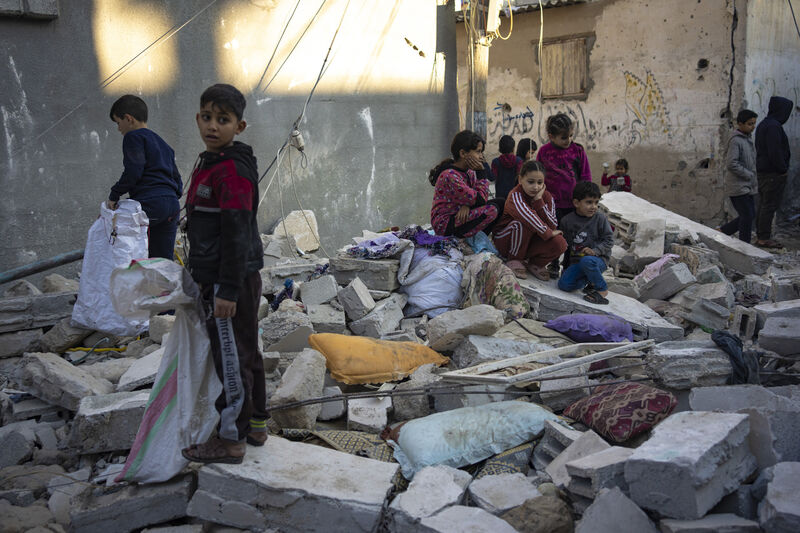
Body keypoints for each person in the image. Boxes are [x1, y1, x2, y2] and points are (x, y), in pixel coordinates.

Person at [181, 84, 267, 465]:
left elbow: (236, 233)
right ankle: (257, 424)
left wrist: (227, 290)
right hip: (223, 276)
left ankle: (232, 440)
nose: (212, 126)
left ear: (240, 125)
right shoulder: (212, 161)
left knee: (231, 359)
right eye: (207, 117)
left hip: (228, 279)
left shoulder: (231, 171)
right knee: (245, 351)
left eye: (223, 120)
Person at [107, 95, 182, 260]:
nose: (118, 129)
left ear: (128, 119)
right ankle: (165, 286)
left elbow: (134, 170)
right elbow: (177, 180)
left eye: (118, 123)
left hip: (150, 203)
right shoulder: (163, 144)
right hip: (171, 206)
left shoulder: (133, 137)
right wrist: (169, 198)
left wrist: (114, 194)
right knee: (163, 260)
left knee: (130, 254)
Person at [537, 113, 591, 276]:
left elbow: (585, 175)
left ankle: (567, 266)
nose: (568, 140)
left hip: (573, 204)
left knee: (572, 236)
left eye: (570, 136)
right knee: (554, 234)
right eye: (563, 137)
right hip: (552, 204)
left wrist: (585, 199)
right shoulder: (545, 152)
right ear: (551, 136)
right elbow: (538, 174)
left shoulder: (577, 150)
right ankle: (553, 263)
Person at [493, 160, 567, 280]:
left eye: (540, 182)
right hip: (507, 240)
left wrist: (539, 200)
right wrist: (548, 232)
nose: (536, 187)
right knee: (521, 224)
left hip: (528, 242)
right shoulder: (515, 195)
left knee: (560, 243)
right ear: (520, 179)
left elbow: (553, 224)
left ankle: (535, 263)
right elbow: (528, 216)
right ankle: (514, 259)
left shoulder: (546, 196)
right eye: (531, 182)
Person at [430, 130, 504, 238]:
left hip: (461, 215)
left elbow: (475, 196)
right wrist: (481, 173)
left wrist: (467, 205)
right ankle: (467, 239)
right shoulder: (449, 176)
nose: (481, 157)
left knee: (501, 203)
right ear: (463, 153)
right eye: (478, 152)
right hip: (445, 224)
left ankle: (482, 237)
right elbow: (481, 199)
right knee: (492, 210)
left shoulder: (470, 172)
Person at [558, 181, 614, 305]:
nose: (593, 206)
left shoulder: (600, 219)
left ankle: (602, 290)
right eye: (589, 202)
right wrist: (565, 267)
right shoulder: (567, 221)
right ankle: (589, 281)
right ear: (576, 203)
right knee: (564, 284)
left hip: (597, 260)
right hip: (577, 261)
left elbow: (609, 240)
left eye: (596, 203)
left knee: (587, 261)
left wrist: (594, 251)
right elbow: (566, 246)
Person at [754, 96, 793, 249]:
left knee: (764, 205)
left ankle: (762, 236)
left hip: (765, 172)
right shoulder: (773, 127)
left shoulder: (765, 124)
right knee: (769, 206)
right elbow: (775, 151)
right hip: (772, 174)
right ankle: (763, 238)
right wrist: (782, 169)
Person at [720, 109, 758, 243]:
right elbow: (731, 163)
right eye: (749, 124)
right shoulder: (736, 141)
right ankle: (744, 246)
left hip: (747, 184)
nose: (752, 126)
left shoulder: (747, 139)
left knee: (749, 214)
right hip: (737, 185)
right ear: (740, 124)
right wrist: (748, 175)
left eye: (754, 123)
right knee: (747, 216)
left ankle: (723, 231)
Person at [491, 134, 523, 199]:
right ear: (513, 148)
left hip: (500, 195)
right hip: (514, 194)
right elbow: (520, 178)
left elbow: (492, 177)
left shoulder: (496, 162)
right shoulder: (519, 161)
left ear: (500, 148)